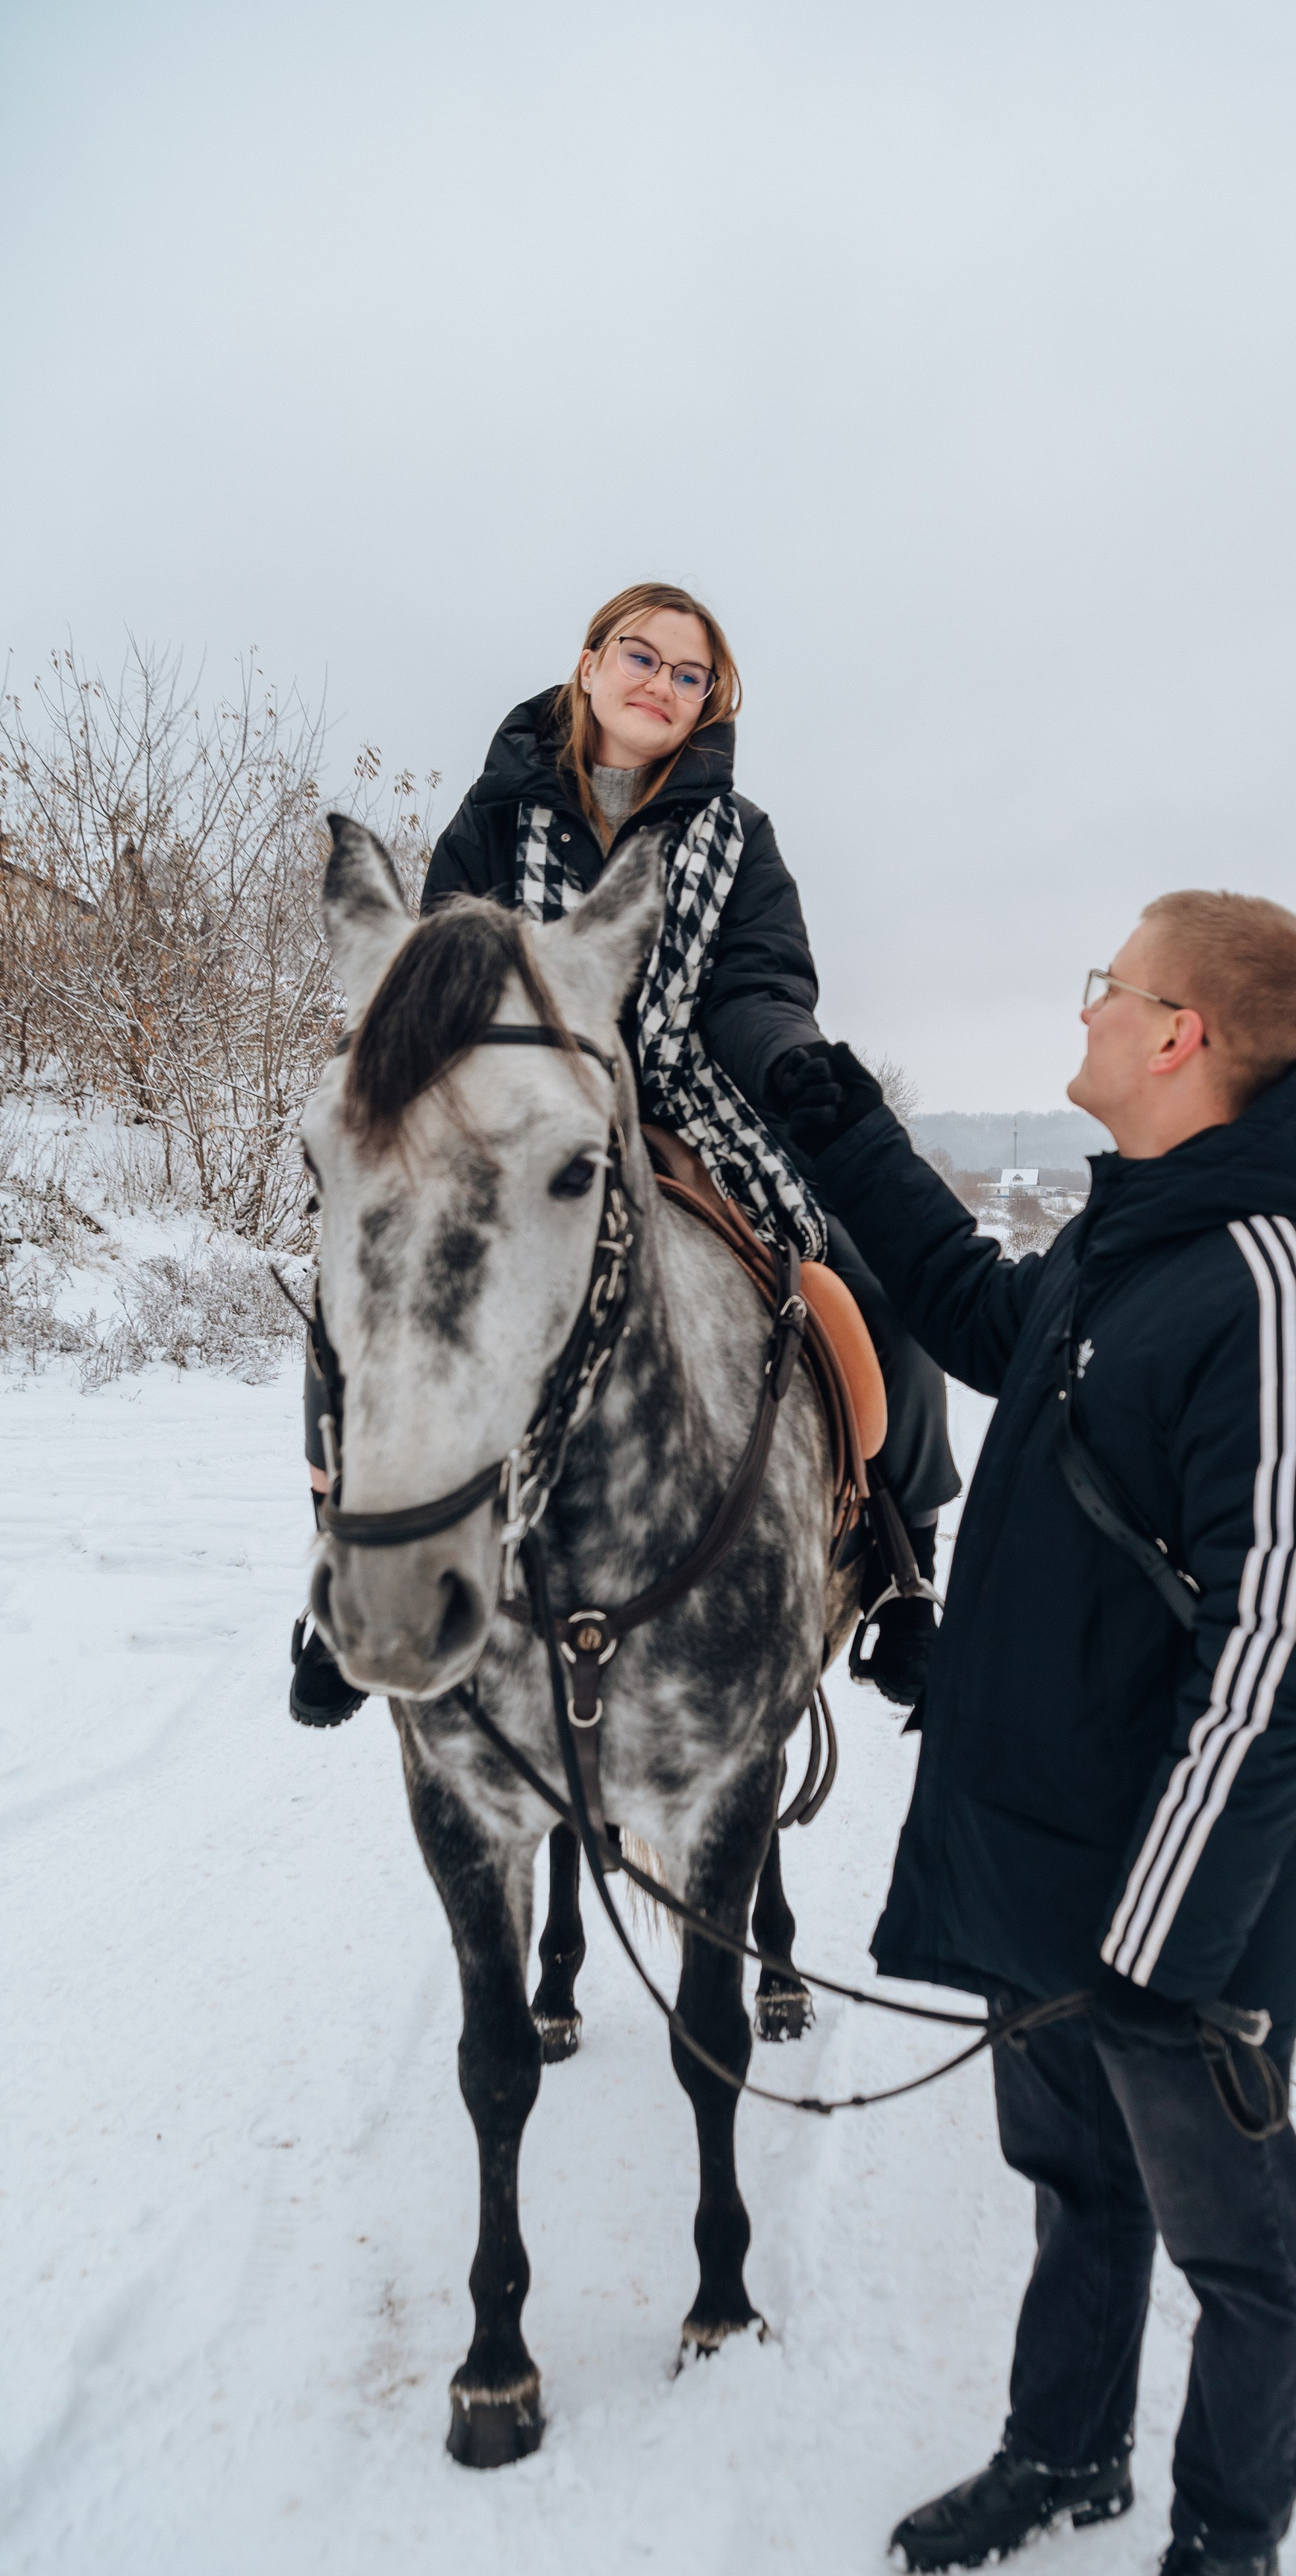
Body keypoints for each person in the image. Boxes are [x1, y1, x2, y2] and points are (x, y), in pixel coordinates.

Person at [777, 892, 1296, 2576]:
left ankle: (1227, 2544)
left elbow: (1286, 1646)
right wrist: (843, 1126)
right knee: (1072, 2182)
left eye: (1107, 988)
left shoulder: (1280, 1288)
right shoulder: (1130, 1241)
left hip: (1177, 1902)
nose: (1087, 1011)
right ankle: (1063, 2452)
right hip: (1052, 1858)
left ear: (1180, 1033)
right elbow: (980, 1314)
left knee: (1235, 2244)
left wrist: (1164, 1942)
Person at [289, 581, 959, 1726]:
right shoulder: (496, 812)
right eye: (642, 656)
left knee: (871, 1300)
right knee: (368, 1289)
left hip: (696, 1108)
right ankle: (346, 1572)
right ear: (592, 663)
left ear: (709, 702)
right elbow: (446, 973)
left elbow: (757, 987)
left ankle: (905, 1562)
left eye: (691, 674)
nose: (663, 684)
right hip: (521, 1114)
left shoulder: (738, 839)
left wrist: (790, 1059)